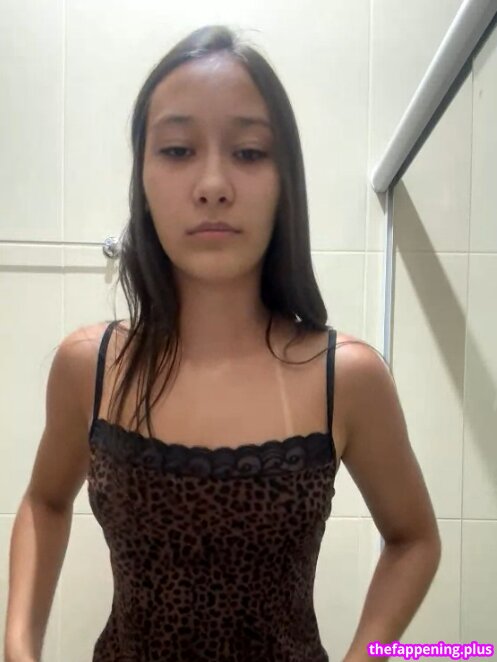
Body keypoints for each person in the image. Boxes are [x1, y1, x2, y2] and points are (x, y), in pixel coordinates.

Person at [4, 24, 441, 662]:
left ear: (285, 180)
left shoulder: (346, 379)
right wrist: (19, 646)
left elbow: (414, 539)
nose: (213, 183)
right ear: (143, 177)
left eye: (249, 152)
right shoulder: (90, 368)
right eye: (178, 149)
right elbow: (45, 502)